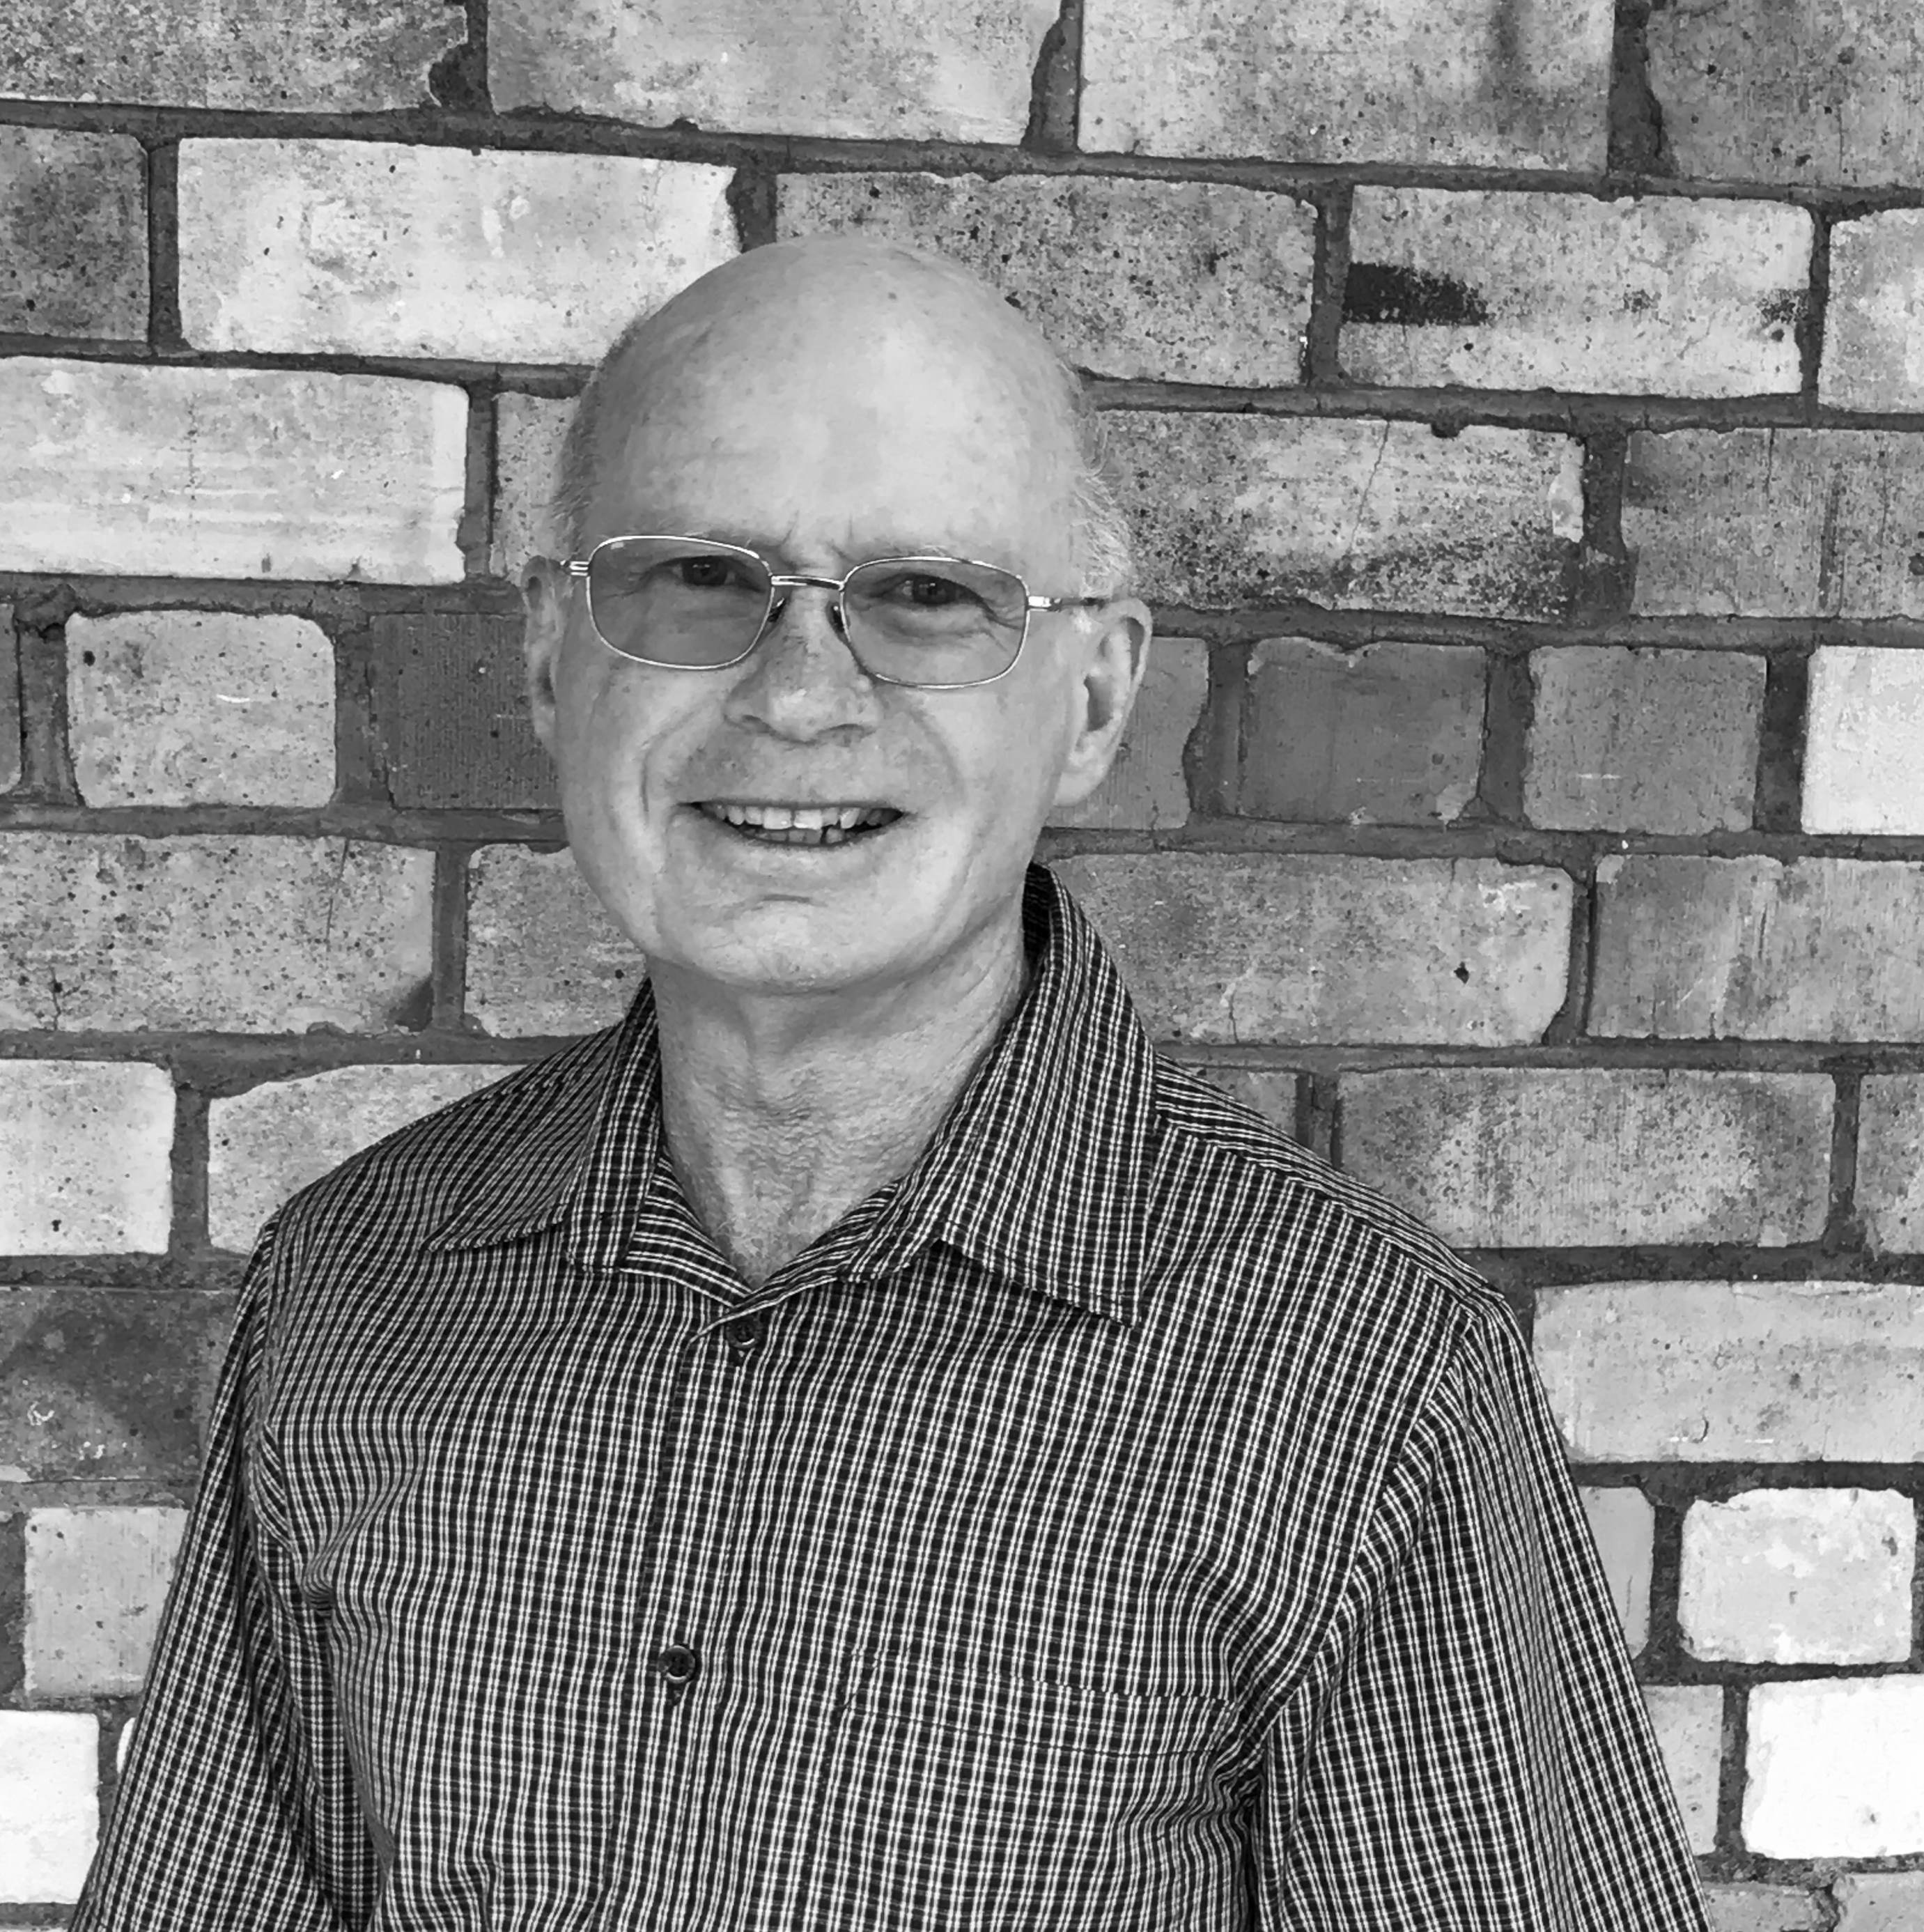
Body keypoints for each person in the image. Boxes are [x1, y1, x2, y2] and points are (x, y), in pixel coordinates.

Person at [72, 235, 1708, 1931]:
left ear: (1093, 698)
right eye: (698, 577)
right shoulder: (355, 1285)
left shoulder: (1358, 1385)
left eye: (926, 596)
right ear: (557, 658)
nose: (797, 696)